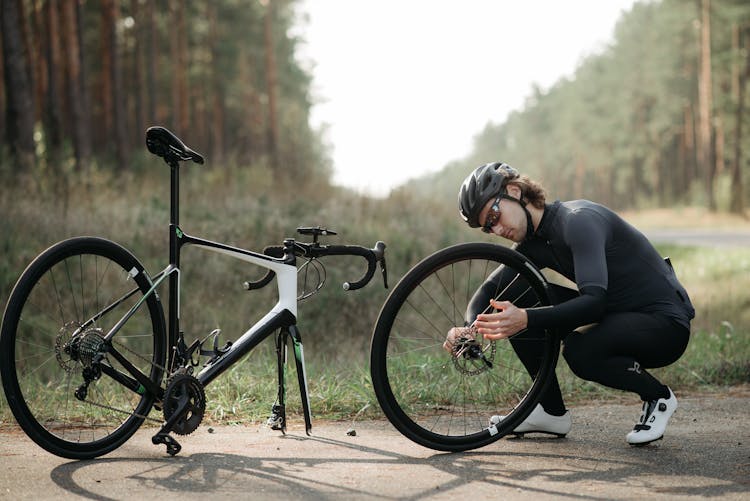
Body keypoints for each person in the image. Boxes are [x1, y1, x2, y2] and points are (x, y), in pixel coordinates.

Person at [446, 162, 694, 446]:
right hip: (619, 312)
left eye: (494, 214)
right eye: (488, 227)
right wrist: (468, 329)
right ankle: (549, 412)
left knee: (580, 351)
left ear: (514, 191)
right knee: (514, 296)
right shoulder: (535, 241)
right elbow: (492, 288)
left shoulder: (578, 221)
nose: (497, 228)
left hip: (664, 325)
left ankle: (658, 397)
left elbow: (594, 304)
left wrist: (527, 319)